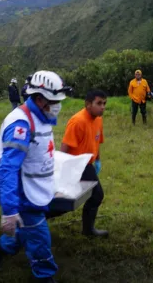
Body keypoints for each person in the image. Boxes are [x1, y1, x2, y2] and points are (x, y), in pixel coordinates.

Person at [0, 70, 71, 282]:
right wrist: (9, 211)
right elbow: (8, 169)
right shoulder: (21, 125)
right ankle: (45, 276)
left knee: (24, 231)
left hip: (37, 187)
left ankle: (0, 248)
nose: (57, 105)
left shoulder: (41, 116)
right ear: (39, 98)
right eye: (54, 100)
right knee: (40, 240)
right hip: (24, 193)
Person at [47, 89, 109, 238]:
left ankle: (88, 230)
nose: (103, 107)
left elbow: (96, 141)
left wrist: (98, 159)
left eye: (104, 103)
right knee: (88, 197)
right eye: (99, 103)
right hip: (76, 165)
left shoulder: (98, 119)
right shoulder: (77, 121)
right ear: (88, 104)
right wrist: (63, 169)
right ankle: (37, 217)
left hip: (88, 164)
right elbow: (64, 147)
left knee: (87, 197)